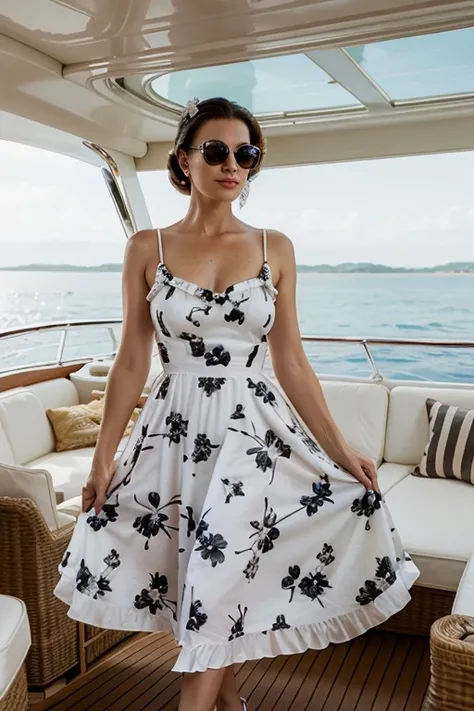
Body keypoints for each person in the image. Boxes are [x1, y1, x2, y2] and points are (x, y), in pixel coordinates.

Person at [54, 97, 419, 711]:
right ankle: (228, 703)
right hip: (173, 435)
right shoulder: (149, 248)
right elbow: (131, 363)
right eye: (217, 151)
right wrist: (101, 459)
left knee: (219, 581)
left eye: (246, 155)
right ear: (183, 161)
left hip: (256, 437)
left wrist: (342, 450)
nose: (233, 165)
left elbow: (293, 362)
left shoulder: (276, 247)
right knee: (204, 588)